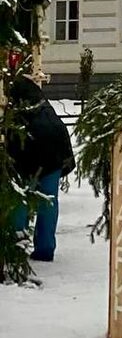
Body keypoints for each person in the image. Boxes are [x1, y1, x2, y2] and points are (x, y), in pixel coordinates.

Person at [8, 75, 75, 262]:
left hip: (27, 157)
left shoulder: (16, 109)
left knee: (19, 200)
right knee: (48, 202)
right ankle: (45, 248)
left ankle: (16, 247)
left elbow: (13, 141)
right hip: (53, 157)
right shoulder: (42, 104)